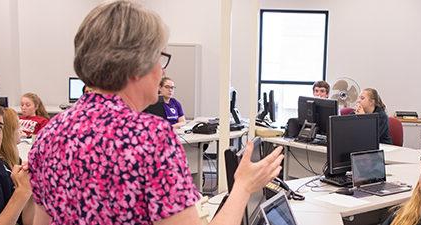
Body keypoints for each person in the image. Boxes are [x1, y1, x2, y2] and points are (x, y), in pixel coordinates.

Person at [28, 1, 284, 224]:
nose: (162, 70)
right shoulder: (151, 138)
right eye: (159, 58)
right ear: (136, 64)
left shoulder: (49, 134)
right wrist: (243, 186)